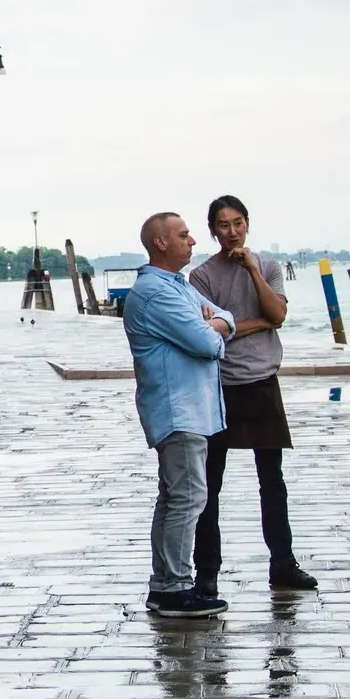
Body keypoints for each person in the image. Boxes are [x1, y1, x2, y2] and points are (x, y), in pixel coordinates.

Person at [187, 195, 317, 593]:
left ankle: (283, 563)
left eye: (238, 223)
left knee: (272, 480)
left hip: (262, 381)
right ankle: (206, 573)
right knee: (209, 484)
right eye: (223, 225)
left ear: (248, 224)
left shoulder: (269, 266)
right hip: (220, 385)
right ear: (212, 230)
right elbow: (209, 330)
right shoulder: (202, 276)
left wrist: (252, 271)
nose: (232, 231)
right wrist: (256, 322)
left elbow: (277, 315)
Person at [122, 210, 235, 617]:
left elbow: (228, 318)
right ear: (161, 243)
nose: (193, 241)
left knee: (175, 497)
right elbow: (204, 343)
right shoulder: (157, 293)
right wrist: (214, 329)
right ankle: (173, 586)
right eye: (184, 235)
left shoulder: (179, 286)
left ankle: (167, 583)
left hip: (191, 410)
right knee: (186, 497)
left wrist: (217, 323)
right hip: (178, 410)